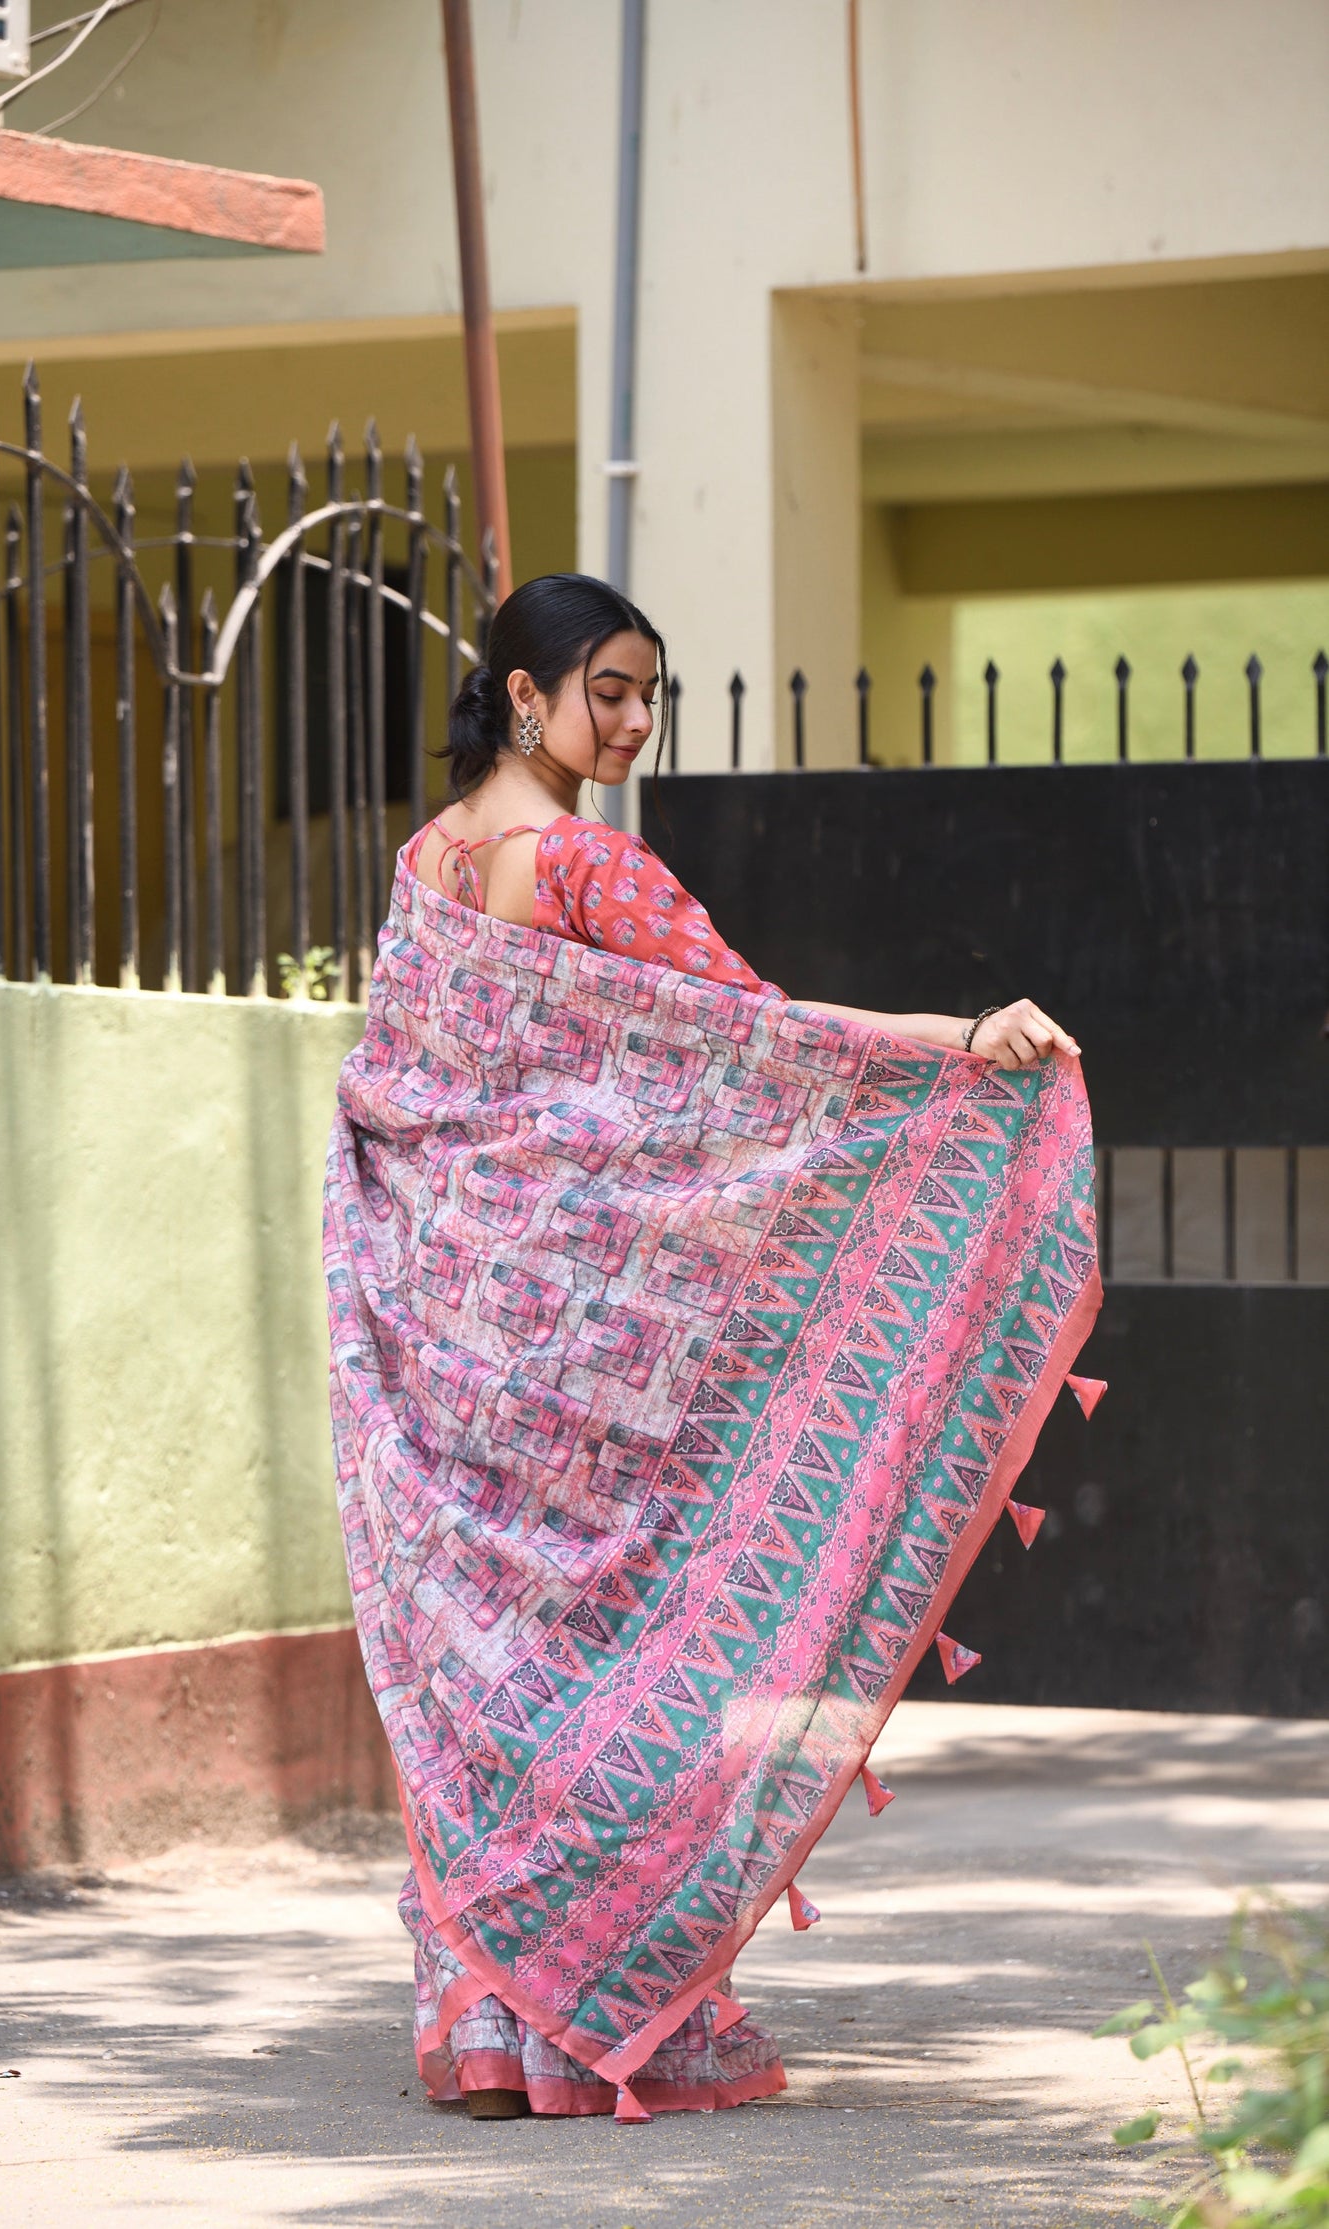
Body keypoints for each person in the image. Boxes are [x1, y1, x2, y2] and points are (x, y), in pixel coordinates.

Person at [323, 574, 1097, 2124]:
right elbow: (763, 1045)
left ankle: (490, 2028)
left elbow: (421, 1095)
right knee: (600, 1663)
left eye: (645, 693)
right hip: (574, 1357)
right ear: (524, 695)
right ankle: (581, 2008)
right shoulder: (589, 868)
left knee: (503, 1678)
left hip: (457, 1330)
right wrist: (956, 1045)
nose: (628, 719)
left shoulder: (425, 871)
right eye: (603, 688)